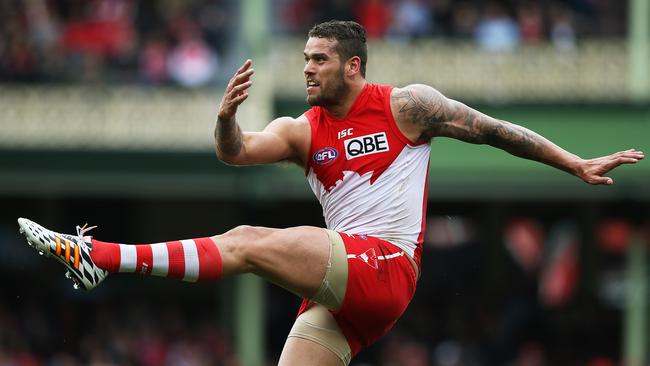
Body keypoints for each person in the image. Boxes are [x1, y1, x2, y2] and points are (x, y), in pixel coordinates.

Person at [18, 20, 643, 366]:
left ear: (353, 65)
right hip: (348, 292)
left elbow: (495, 132)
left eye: (319, 59)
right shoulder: (300, 130)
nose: (307, 68)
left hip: (387, 267)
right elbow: (233, 153)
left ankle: (98, 258)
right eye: (306, 59)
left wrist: (575, 164)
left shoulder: (407, 106)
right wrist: (225, 119)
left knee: (244, 242)